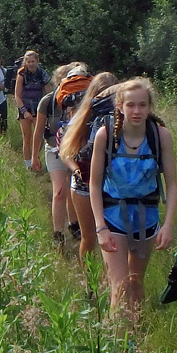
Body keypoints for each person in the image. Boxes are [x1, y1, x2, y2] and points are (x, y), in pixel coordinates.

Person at [88, 77, 177, 317]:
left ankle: (135, 335)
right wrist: (100, 227)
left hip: (146, 218)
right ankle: (118, 346)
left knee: (136, 282)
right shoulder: (105, 136)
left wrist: (167, 225)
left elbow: (172, 183)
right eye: (130, 105)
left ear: (150, 107)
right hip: (113, 216)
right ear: (120, 106)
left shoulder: (160, 136)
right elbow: (94, 184)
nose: (136, 111)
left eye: (142, 105)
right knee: (120, 286)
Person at [58, 71, 118, 262]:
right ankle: (89, 283)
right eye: (102, 94)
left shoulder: (122, 117)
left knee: (115, 236)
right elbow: (66, 151)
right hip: (84, 183)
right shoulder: (82, 117)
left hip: (113, 185)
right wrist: (76, 169)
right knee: (89, 237)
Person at [30, 62, 82, 248]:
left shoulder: (82, 102)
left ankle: (74, 224)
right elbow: (38, 131)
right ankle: (58, 233)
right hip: (54, 149)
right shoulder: (47, 102)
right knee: (60, 191)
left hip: (78, 151)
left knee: (75, 189)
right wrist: (34, 156)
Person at [14, 50, 50, 169]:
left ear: (37, 61)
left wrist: (49, 107)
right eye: (28, 61)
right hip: (24, 106)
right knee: (27, 136)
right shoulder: (21, 74)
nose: (31, 64)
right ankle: (28, 164)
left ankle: (35, 157)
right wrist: (24, 111)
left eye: (33, 61)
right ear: (25, 62)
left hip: (39, 107)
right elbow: (17, 95)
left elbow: (48, 92)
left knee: (40, 136)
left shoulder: (42, 74)